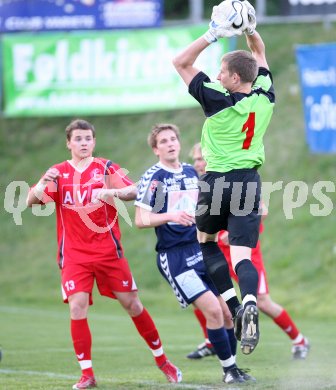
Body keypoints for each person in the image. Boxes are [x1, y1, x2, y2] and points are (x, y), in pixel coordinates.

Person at [26, 119, 182, 389]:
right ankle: (87, 374)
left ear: (94, 142)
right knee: (77, 306)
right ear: (68, 143)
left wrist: (110, 191)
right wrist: (41, 184)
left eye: (88, 138)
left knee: (132, 304)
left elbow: (135, 190)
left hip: (109, 252)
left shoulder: (106, 167)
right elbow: (32, 201)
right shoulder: (58, 172)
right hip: (75, 254)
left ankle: (163, 361)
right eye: (78, 139)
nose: (84, 143)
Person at [172, 11, 275, 355]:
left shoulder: (217, 99)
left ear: (232, 78)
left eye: (220, 72)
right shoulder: (264, 97)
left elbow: (181, 61)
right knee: (243, 256)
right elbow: (259, 54)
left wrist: (214, 34)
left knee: (206, 242)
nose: (216, 75)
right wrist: (250, 29)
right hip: (249, 182)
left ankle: (234, 307)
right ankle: (248, 301)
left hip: (216, 183)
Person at [134, 123, 255, 384]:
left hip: (201, 249)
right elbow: (141, 219)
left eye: (173, 139)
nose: (170, 143)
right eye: (163, 141)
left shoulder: (191, 172)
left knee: (226, 311)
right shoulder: (155, 177)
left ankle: (233, 369)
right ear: (156, 149)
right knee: (212, 310)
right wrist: (171, 215)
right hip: (175, 257)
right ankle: (228, 371)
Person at [188, 143, 310, 360]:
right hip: (217, 251)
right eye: (195, 159)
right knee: (203, 294)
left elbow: (261, 210)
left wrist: (231, 233)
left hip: (244, 250)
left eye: (201, 158)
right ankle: (211, 340)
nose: (198, 163)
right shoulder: (200, 183)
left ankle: (299, 339)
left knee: (261, 301)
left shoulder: (231, 177)